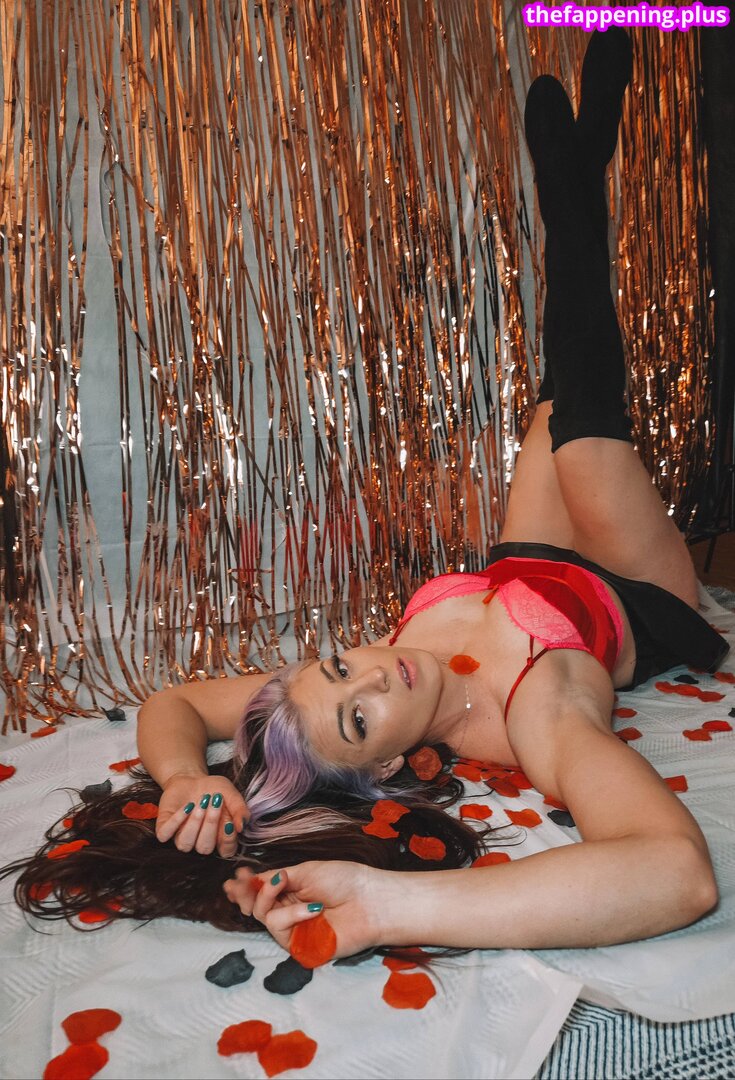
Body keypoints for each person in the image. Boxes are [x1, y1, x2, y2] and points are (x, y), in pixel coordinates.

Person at [4, 30, 728, 959]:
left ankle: (578, 181)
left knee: (553, 406)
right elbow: (675, 873)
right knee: (584, 436)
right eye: (358, 715)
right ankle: (574, 186)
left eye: (340, 666)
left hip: (526, 561)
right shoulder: (538, 716)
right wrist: (386, 908)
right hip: (632, 595)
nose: (376, 673)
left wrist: (186, 776)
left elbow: (176, 700)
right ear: (384, 761)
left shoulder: (337, 688)